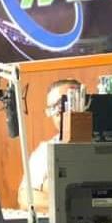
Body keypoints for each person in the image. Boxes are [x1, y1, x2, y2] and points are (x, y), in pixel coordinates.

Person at [17, 78, 82, 213]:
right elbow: (26, 198)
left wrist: (49, 190)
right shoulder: (44, 151)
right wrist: (70, 206)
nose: (58, 111)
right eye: (53, 107)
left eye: (62, 103)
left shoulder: (110, 144)